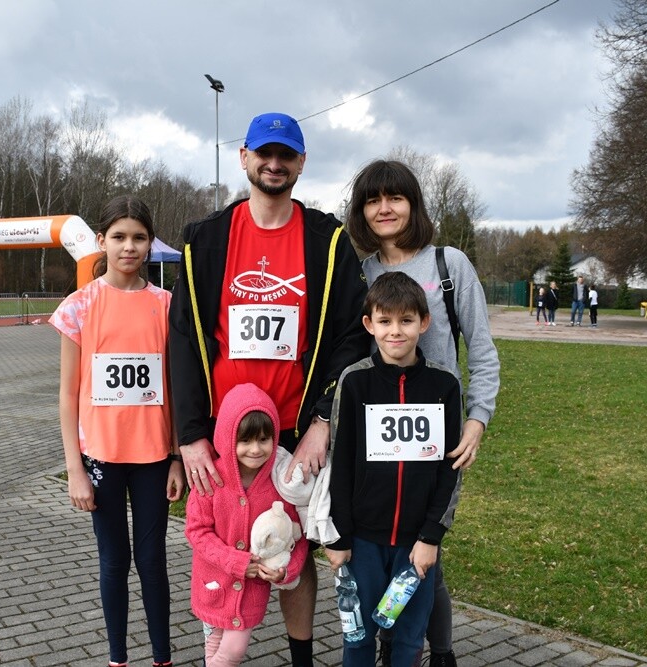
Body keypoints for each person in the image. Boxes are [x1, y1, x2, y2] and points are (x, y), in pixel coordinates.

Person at [169, 112, 369, 667]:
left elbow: (352, 338)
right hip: (225, 437)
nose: (274, 164)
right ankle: (222, 649)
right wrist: (189, 437)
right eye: (264, 153)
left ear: (301, 163)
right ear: (245, 158)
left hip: (293, 430)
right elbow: (183, 341)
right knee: (224, 542)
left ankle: (300, 658)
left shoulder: (326, 241)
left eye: (286, 155)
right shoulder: (207, 240)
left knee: (294, 552)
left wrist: (322, 424)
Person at [345, 159, 500, 667]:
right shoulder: (360, 272)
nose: (384, 209)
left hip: (438, 436)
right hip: (376, 441)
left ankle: (441, 653)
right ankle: (398, 646)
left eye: (395, 197)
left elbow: (481, 347)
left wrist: (476, 419)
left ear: (414, 204)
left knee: (426, 548)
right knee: (401, 554)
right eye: (372, 200)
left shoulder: (448, 265)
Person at [50, 195, 185, 667]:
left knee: (152, 562)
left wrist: (175, 457)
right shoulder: (80, 306)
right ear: (101, 240)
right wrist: (74, 469)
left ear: (150, 243)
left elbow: (173, 389)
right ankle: (117, 659)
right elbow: (68, 395)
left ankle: (162, 657)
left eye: (139, 237)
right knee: (113, 563)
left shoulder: (168, 306)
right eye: (119, 237)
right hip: (100, 459)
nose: (129, 247)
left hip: (152, 460)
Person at [322, 271, 462, 667]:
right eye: (385, 321)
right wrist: (339, 535)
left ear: (424, 322)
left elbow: (451, 468)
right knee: (359, 638)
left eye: (406, 321)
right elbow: (341, 462)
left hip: (416, 543)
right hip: (362, 541)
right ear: (369, 324)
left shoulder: (445, 384)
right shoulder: (355, 383)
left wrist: (432, 535)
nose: (395, 332)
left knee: (408, 642)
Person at [186, 382, 308, 666]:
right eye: (245, 441)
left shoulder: (279, 486)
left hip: (250, 593)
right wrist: (234, 561)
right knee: (214, 645)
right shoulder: (210, 479)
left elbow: (296, 537)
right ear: (228, 437)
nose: (255, 449)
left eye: (264, 440)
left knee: (232, 652)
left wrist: (286, 571)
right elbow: (196, 531)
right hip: (213, 585)